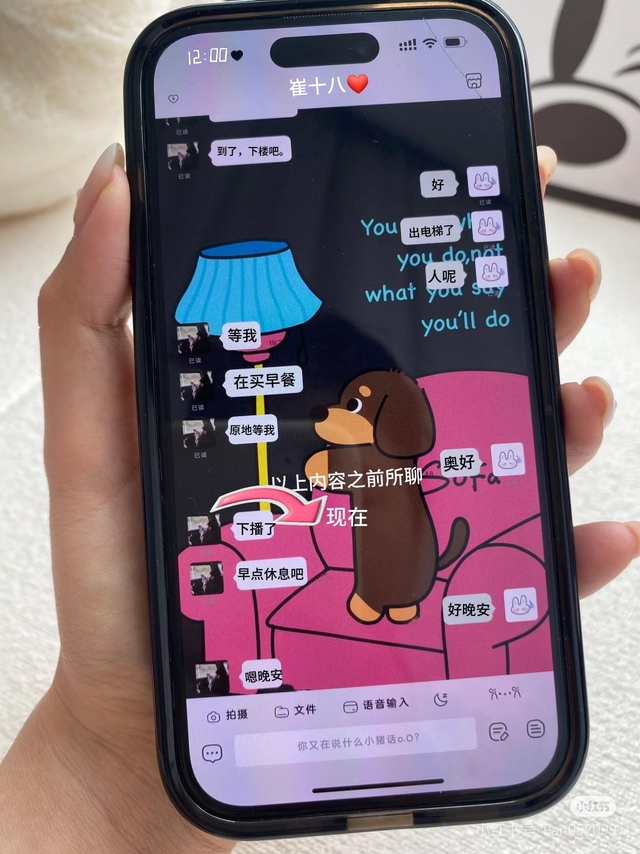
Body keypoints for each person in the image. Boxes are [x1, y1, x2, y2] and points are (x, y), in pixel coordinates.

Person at [0, 142, 637, 853]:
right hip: (324, 597)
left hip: (413, 558)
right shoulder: (319, 436)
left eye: (351, 407)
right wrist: (104, 757)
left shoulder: (396, 445)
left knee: (409, 561)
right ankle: (379, 598)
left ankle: (398, 599)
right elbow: (324, 471)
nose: (331, 415)